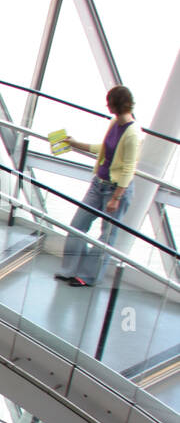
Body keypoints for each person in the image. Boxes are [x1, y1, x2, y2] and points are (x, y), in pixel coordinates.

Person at [55, 85, 140, 287]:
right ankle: (70, 270)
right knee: (77, 225)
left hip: (115, 190)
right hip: (99, 184)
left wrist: (116, 197)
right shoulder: (115, 123)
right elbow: (105, 149)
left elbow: (129, 168)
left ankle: (87, 277)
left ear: (114, 105)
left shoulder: (133, 133)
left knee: (106, 236)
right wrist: (76, 144)